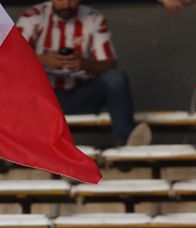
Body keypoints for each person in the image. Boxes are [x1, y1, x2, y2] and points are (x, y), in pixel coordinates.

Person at [16, 0, 151, 147]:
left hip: (80, 96)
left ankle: (127, 142)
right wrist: (41, 60)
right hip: (41, 99)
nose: (66, 4)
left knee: (116, 78)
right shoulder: (33, 16)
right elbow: (8, 57)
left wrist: (85, 64)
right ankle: (9, 144)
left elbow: (110, 64)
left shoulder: (93, 18)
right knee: (6, 79)